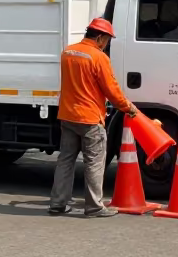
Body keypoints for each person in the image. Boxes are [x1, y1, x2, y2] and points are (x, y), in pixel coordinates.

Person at [50, 17, 137, 218]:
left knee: (65, 160)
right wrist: (128, 108)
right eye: (107, 40)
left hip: (67, 115)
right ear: (99, 38)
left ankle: (58, 203)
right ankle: (94, 207)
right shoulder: (98, 58)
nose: (107, 44)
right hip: (89, 118)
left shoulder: (68, 52)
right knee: (94, 161)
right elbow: (112, 90)